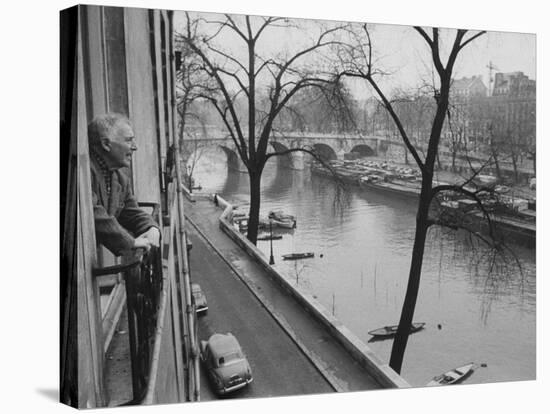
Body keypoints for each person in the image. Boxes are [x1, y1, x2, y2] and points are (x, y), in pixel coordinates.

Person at [88, 113, 160, 255]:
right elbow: (93, 214)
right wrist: (131, 242)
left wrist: (152, 228)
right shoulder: (85, 171)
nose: (135, 147)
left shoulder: (120, 178)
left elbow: (132, 212)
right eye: (128, 141)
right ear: (106, 144)